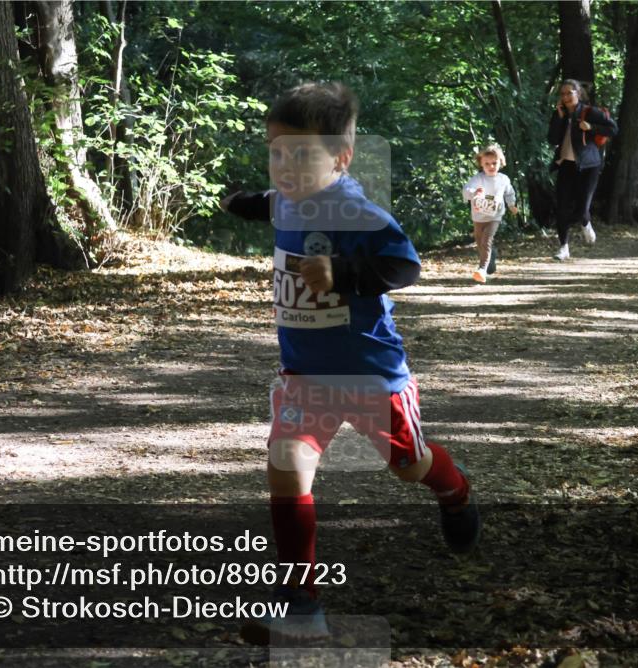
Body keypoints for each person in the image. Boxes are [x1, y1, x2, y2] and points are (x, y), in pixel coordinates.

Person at [219, 82, 481, 643]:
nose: (284, 167)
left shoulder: (356, 211)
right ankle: (301, 604)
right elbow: (268, 203)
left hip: (370, 375)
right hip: (304, 376)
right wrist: (237, 202)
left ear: (340, 158)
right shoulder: (286, 198)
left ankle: (453, 490)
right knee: (287, 468)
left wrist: (342, 274)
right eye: (276, 152)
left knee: (409, 466)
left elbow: (405, 266)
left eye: (300, 154)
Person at [547, 79, 618, 261]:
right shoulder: (560, 113)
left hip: (589, 166)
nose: (565, 97)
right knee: (562, 207)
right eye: (562, 94)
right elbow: (552, 139)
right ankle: (563, 247)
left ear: (578, 93)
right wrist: (559, 119)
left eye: (569, 93)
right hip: (566, 165)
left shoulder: (590, 112)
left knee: (582, 207)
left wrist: (591, 127)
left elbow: (613, 129)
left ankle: (585, 222)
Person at [462, 143, 518, 283]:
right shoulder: (478, 179)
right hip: (478, 216)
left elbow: (509, 193)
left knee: (486, 240)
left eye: (494, 163)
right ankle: (490, 258)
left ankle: (482, 270)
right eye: (487, 164)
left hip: (495, 216)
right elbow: (466, 190)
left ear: (501, 162)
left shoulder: (503, 179)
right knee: (480, 242)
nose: (491, 166)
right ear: (481, 164)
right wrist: (474, 192)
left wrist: (511, 205)